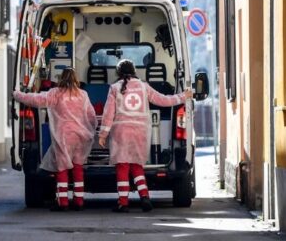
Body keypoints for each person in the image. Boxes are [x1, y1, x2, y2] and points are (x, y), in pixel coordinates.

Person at [98, 59, 193, 212]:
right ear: (135, 71)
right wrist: (183, 96)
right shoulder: (144, 87)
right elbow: (163, 100)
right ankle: (145, 197)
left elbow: (108, 113)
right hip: (140, 132)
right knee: (137, 166)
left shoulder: (115, 88)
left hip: (121, 133)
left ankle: (123, 203)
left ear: (118, 73)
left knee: (122, 167)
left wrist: (103, 134)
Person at [14, 68, 97, 211]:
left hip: (63, 137)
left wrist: (17, 95)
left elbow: (35, 100)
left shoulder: (55, 94)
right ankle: (79, 201)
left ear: (61, 79)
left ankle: (63, 202)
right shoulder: (83, 94)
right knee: (78, 168)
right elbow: (91, 116)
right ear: (76, 79)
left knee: (62, 169)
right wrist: (92, 131)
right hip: (80, 137)